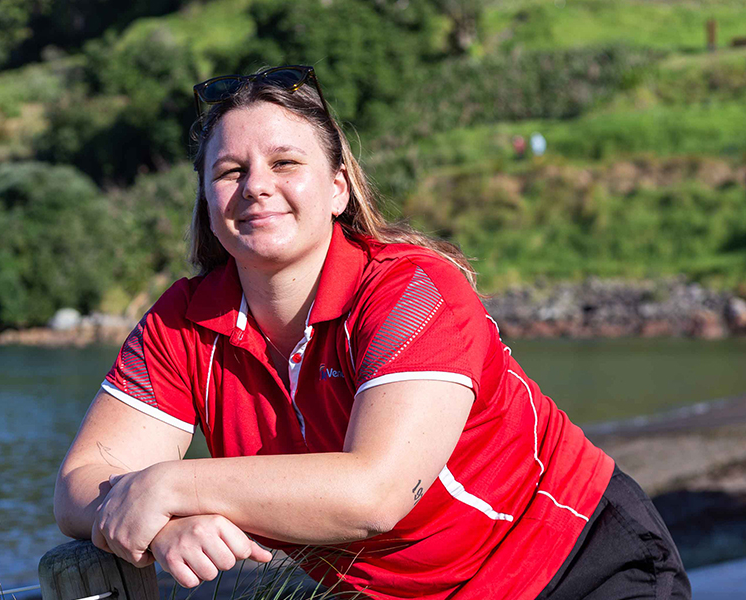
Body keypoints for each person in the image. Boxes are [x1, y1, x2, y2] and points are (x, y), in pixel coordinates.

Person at [53, 65, 690, 599]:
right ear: (205, 201)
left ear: (337, 190)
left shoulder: (412, 293)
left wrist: (171, 485)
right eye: (228, 172)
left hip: (576, 564)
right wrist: (160, 527)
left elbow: (375, 492)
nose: (257, 187)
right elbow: (82, 481)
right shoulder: (182, 323)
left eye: (284, 162)